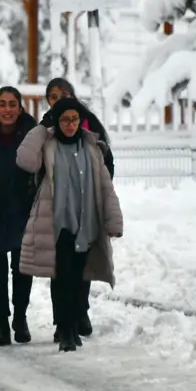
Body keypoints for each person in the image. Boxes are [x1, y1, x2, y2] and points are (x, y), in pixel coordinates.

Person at [17, 98, 123, 352]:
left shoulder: (92, 147)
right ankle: (64, 329)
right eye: (64, 119)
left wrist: (113, 220)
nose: (70, 124)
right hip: (58, 224)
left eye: (74, 119)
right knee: (62, 277)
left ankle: (73, 325)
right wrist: (42, 128)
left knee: (79, 278)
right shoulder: (48, 144)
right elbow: (24, 160)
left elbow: (105, 187)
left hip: (87, 223)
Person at [39, 77, 115, 341]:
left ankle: (80, 312)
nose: (58, 100)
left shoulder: (88, 124)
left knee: (82, 267)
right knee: (60, 269)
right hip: (58, 212)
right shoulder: (45, 127)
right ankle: (62, 321)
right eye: (52, 96)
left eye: (63, 94)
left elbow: (106, 162)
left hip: (86, 210)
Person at [0, 86, 39, 345]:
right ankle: (2, 322)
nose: (7, 110)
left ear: (20, 107)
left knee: (22, 269)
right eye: (2, 104)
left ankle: (20, 318)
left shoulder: (33, 136)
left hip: (25, 210)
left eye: (12, 104)